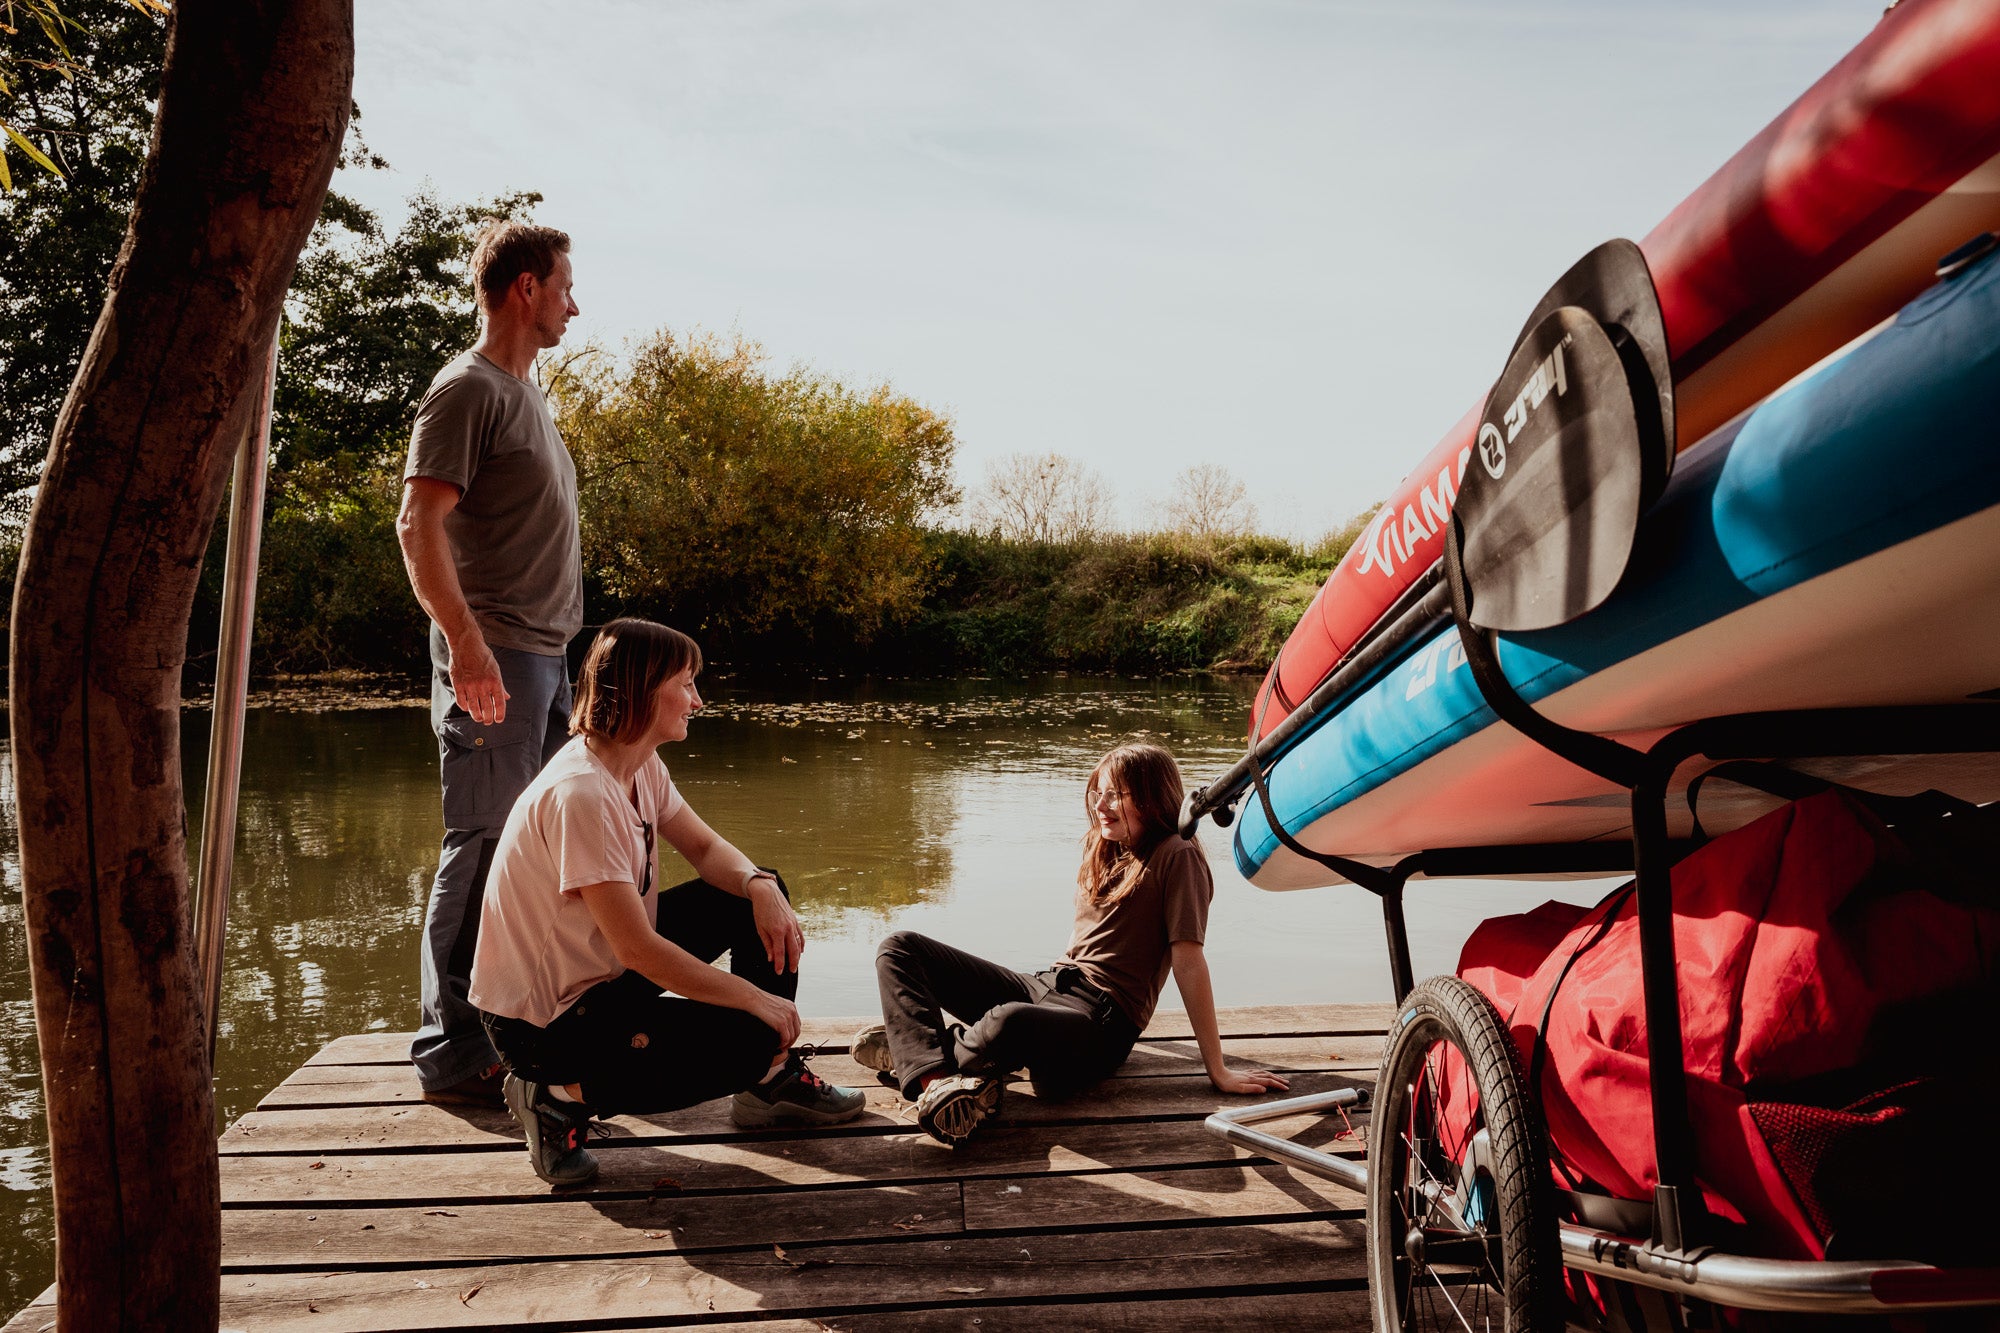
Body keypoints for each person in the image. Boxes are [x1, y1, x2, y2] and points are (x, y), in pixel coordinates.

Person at [470, 618, 866, 1185]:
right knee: (750, 1038)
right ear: (639, 690)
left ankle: (768, 1081)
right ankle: (553, 1095)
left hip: (598, 973)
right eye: (685, 684)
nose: (697, 700)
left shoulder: (636, 764)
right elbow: (641, 952)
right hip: (543, 1023)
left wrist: (759, 885)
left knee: (752, 895)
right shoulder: (582, 795)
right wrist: (756, 1000)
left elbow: (704, 848)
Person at [854, 742, 1289, 1146]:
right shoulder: (1108, 846)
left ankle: (913, 1053)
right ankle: (938, 1076)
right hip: (1049, 985)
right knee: (899, 947)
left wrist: (1218, 1069)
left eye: (1115, 794)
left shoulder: (1178, 854)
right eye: (1098, 793)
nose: (1100, 806)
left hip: (1100, 1021)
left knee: (1007, 1021)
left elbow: (1189, 961)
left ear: (1152, 797)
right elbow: (1084, 940)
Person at [397, 221, 584, 1105]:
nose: (573, 305)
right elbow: (416, 526)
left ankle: (515, 1024)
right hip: (497, 654)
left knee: (534, 850)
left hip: (547, 655)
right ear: (524, 290)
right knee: (480, 842)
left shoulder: (528, 394)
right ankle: (450, 1050)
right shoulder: (465, 389)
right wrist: (468, 649)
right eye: (565, 287)